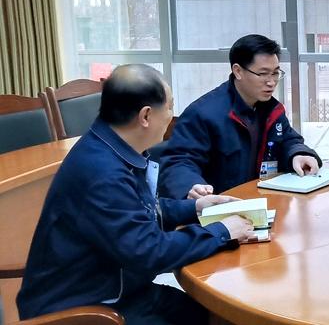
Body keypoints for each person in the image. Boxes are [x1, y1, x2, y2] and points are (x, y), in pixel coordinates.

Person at [17, 65, 256, 323]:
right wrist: (222, 231)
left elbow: (136, 210)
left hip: (119, 288)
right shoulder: (103, 173)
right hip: (83, 308)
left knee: (215, 315)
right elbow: (149, 252)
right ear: (146, 116)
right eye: (170, 107)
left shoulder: (111, 147)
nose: (171, 117)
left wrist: (196, 208)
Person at [159, 34, 321, 199]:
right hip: (219, 206)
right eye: (263, 74)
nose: (271, 82)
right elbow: (178, 162)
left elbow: (288, 140)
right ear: (238, 71)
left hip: (263, 200)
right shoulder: (203, 114)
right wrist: (191, 186)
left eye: (275, 73)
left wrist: (298, 154)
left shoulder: (272, 110)